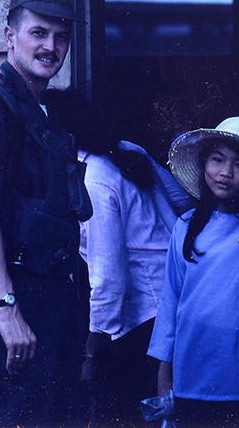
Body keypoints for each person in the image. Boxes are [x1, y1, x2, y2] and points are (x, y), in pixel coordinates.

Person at [0, 0, 90, 426]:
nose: (51, 46)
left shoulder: (43, 112)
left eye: (60, 37)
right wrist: (6, 307)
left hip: (48, 307)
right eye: (38, 33)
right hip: (10, 307)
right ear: (10, 36)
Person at [147, 116, 239, 427]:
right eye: (217, 160)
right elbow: (170, 302)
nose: (226, 172)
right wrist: (164, 372)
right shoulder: (185, 226)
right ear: (203, 164)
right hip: (191, 371)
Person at [63, 102, 191, 425]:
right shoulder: (127, 150)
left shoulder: (91, 181)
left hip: (142, 316)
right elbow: (182, 200)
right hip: (173, 296)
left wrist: (92, 352)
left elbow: (110, 279)